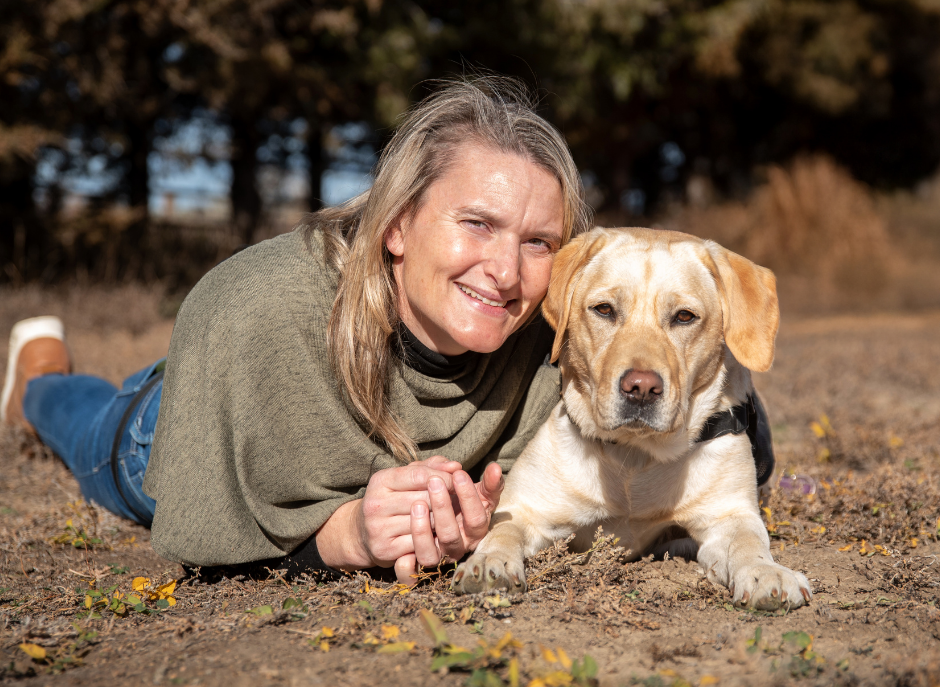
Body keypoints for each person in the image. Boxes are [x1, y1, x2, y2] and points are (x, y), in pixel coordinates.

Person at [1, 76, 593, 584]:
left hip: (247, 373)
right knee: (78, 419)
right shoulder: (258, 303)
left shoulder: (555, 335)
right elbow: (203, 538)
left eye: (538, 242)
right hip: (176, 431)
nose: (507, 272)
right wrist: (351, 539)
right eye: (477, 223)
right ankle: (40, 377)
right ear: (398, 226)